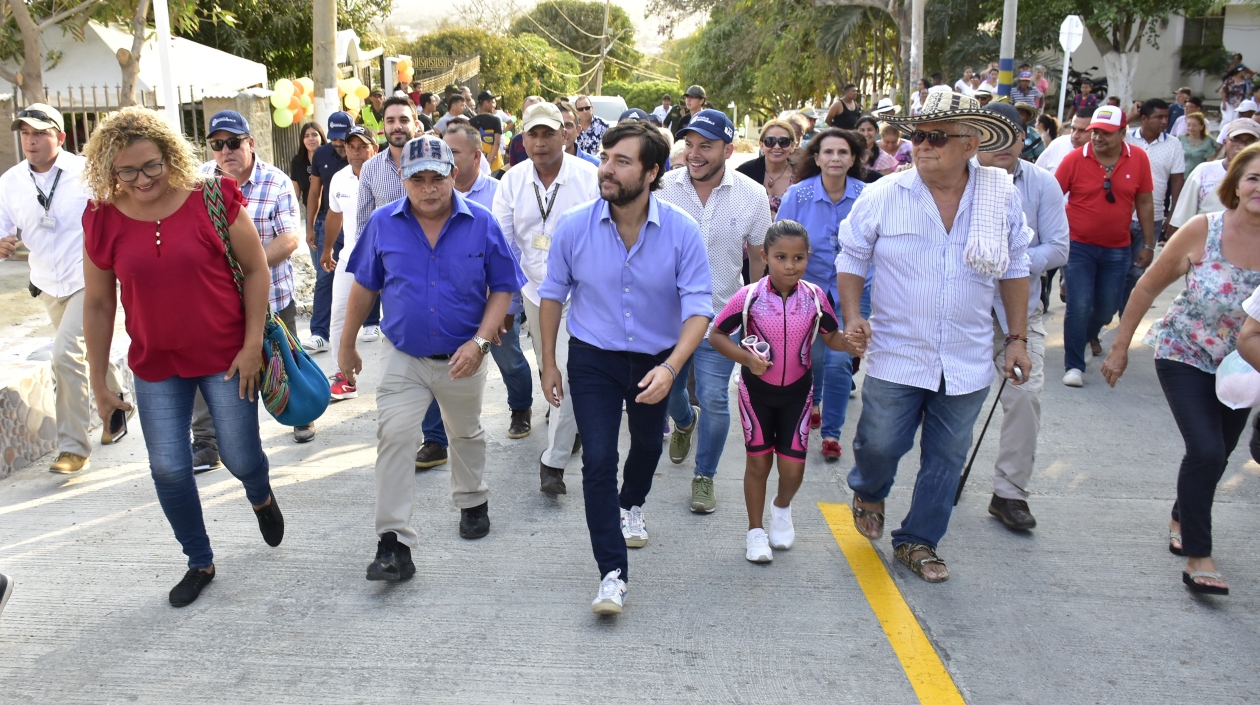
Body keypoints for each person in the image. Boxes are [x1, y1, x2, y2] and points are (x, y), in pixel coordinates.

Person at [81, 106, 282, 607]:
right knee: (169, 469)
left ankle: (260, 493)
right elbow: (100, 303)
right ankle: (199, 560)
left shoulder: (211, 197)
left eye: (151, 165)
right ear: (109, 170)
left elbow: (255, 270)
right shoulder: (102, 218)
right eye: (126, 170)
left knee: (239, 456)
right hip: (155, 366)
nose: (141, 179)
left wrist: (252, 345)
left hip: (227, 358)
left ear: (170, 155)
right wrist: (99, 381)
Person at [838, 91, 1032, 583]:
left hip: (965, 358)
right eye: (917, 136)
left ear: (969, 144)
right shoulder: (884, 194)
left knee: (946, 457)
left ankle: (919, 540)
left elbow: (1015, 269)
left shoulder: (999, 196)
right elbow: (852, 259)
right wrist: (854, 316)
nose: (921, 146)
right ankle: (869, 488)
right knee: (880, 443)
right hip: (896, 351)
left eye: (935, 137)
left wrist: (1016, 338)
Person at [537, 121, 712, 614]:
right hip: (593, 357)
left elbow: (699, 307)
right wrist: (549, 363)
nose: (606, 169)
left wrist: (673, 369)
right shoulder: (574, 225)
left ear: (652, 172)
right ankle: (612, 573)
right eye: (605, 157)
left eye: (622, 161)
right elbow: (553, 294)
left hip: (656, 359)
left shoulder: (681, 230)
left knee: (644, 450)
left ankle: (632, 503)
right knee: (597, 460)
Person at [339, 135, 525, 581]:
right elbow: (365, 285)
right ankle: (393, 543)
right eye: (417, 179)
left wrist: (480, 343)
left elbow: (503, 286)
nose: (428, 188)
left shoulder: (481, 222)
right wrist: (345, 344)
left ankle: (472, 499)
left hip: (463, 356)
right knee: (395, 436)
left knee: (464, 432)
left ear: (453, 176)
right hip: (403, 355)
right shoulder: (383, 224)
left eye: (436, 178)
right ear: (403, 180)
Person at [1102, 143, 1260, 597]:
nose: (1259, 188)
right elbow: (1147, 288)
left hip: (1243, 368)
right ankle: (1198, 554)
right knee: (1207, 449)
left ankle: (1180, 514)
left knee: (1219, 453)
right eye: (1253, 178)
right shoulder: (1203, 230)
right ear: (1235, 183)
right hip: (1184, 352)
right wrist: (1119, 348)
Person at [709, 221, 854, 562]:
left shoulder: (816, 298)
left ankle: (782, 507)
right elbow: (716, 335)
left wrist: (850, 343)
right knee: (758, 464)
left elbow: (832, 336)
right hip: (756, 395)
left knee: (792, 470)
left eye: (799, 258)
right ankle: (755, 532)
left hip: (798, 395)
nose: (790, 265)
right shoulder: (748, 297)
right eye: (781, 257)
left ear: (808, 258)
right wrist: (746, 359)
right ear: (764, 256)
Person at [0, 103, 128, 474]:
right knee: (87, 352)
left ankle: (73, 448)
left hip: (89, 278)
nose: (31, 140)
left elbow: (114, 213)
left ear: (60, 137)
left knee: (64, 354)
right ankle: (117, 406)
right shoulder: (10, 182)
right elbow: (3, 227)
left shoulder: (85, 172)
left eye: (39, 133)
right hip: (46, 283)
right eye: (25, 133)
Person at [657, 109, 771, 513]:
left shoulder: (751, 195)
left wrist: (758, 313)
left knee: (716, 398)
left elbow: (758, 260)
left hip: (723, 317)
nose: (696, 153)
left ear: (728, 148)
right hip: (667, 319)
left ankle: (704, 476)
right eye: (690, 144)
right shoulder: (663, 187)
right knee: (668, 392)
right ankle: (684, 424)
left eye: (706, 145)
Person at [492, 102, 601, 494]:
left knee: (570, 375)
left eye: (548, 134)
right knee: (552, 372)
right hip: (538, 293)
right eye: (532, 135)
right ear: (523, 139)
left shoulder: (589, 177)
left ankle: (553, 461)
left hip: (586, 294)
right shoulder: (512, 181)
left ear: (565, 135)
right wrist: (506, 306)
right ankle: (569, 430)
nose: (539, 143)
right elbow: (502, 246)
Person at [976, 102, 1071, 530]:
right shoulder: (957, 180)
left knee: (1024, 397)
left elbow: (1058, 248)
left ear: (1022, 138)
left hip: (1021, 317)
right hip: (965, 313)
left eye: (1011, 134)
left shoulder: (1042, 184)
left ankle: (1010, 494)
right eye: (992, 133)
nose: (1003, 143)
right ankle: (936, 480)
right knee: (948, 401)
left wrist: (1011, 260)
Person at [195, 110, 310, 452]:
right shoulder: (199, 181)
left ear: (250, 143)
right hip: (216, 306)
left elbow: (290, 239)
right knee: (212, 371)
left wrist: (247, 266)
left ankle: (300, 413)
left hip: (273, 296)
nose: (225, 151)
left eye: (233, 142)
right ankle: (206, 440)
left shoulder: (276, 182)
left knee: (284, 367)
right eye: (217, 145)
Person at [775, 128, 868, 462]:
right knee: (810, 358)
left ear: (853, 159)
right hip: (808, 292)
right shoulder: (797, 196)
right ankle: (811, 401)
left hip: (854, 294)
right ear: (816, 158)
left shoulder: (868, 196)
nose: (835, 159)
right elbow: (780, 244)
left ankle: (831, 433)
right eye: (828, 152)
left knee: (841, 361)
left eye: (843, 153)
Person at [441, 122, 534, 440]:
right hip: (452, 304)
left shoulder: (498, 195)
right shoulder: (435, 195)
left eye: (452, 153)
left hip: (496, 302)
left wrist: (512, 306)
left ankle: (521, 408)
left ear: (477, 156)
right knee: (444, 366)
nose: (446, 159)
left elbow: (512, 253)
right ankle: (440, 433)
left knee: (509, 360)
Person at [1055, 105, 1155, 387]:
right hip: (1078, 245)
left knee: (1107, 308)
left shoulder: (1139, 159)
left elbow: (1144, 201)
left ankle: (1086, 335)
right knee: (1080, 302)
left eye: (1107, 133)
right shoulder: (1075, 159)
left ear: (1123, 133)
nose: (1098, 137)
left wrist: (1148, 243)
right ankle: (1074, 364)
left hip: (1118, 247)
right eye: (1095, 131)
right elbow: (1051, 196)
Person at [321, 126, 376, 400]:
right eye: (351, 146)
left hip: (387, 261)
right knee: (339, 318)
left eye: (362, 146)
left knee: (398, 320)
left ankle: (408, 382)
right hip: (350, 259)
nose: (356, 152)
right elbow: (334, 215)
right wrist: (328, 248)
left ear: (373, 149)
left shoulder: (387, 175)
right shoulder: (339, 179)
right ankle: (344, 377)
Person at [1123, 98, 1184, 308]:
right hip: (1121, 215)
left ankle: (1125, 312)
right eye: (1159, 117)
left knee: (1137, 270)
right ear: (1144, 119)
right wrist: (1129, 116)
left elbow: (1177, 182)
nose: (1164, 121)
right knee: (1115, 267)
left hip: (1154, 216)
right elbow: (1106, 133)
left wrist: (1173, 214)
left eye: (1166, 116)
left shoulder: (1173, 144)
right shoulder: (1126, 138)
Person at [301, 111, 353, 355]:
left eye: (343, 138)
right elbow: (314, 192)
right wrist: (310, 226)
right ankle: (319, 333)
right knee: (325, 276)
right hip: (329, 220)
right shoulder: (321, 154)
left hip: (356, 220)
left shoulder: (361, 151)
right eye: (335, 138)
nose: (339, 144)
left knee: (366, 273)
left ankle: (373, 323)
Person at [1169, 119, 1260, 240]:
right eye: (1236, 140)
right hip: (1205, 248)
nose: (1242, 146)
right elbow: (1181, 221)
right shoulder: (1203, 172)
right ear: (1225, 142)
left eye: (1250, 141)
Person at [737, 120, 797, 218]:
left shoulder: (802, 175)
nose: (777, 146)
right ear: (761, 145)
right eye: (770, 141)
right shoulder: (744, 172)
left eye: (783, 142)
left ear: (792, 146)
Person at [1036, 106, 1094, 174]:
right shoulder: (1058, 144)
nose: (1075, 136)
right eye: (1073, 129)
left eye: (1082, 131)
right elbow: (1035, 175)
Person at [556, 101, 601, 168]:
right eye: (558, 125)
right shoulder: (539, 166)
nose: (564, 131)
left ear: (578, 130)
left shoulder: (594, 165)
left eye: (568, 125)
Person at [289, 122, 325, 204]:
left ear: (321, 138)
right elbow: (296, 193)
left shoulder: (330, 158)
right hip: (310, 212)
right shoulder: (297, 162)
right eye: (306, 136)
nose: (310, 139)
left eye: (314, 135)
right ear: (302, 140)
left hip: (332, 211)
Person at [470, 90, 505, 172]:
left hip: (479, 162)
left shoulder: (471, 121)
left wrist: (484, 161)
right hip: (495, 163)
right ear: (486, 103)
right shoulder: (496, 120)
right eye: (492, 103)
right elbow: (497, 143)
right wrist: (489, 160)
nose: (494, 105)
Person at [507, 95, 544, 168]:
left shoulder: (553, 139)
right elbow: (514, 169)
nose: (531, 115)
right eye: (527, 112)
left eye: (535, 111)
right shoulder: (516, 141)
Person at [1179, 112, 1219, 177]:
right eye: (1188, 125)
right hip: (1182, 176)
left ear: (1201, 127)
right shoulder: (1180, 139)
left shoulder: (1208, 141)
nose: (1191, 128)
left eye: (1194, 126)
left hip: (1199, 176)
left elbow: (1209, 164)